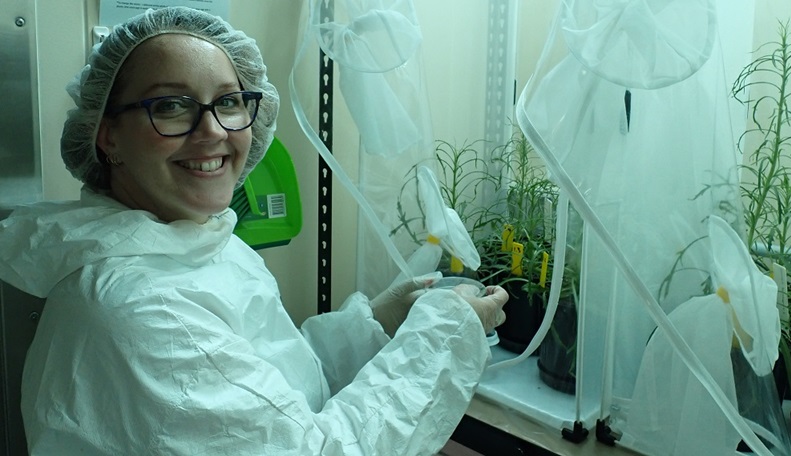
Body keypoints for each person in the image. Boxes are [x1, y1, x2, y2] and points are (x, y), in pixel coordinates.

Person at [0, 6, 508, 456]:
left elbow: (267, 388)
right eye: (170, 106)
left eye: (228, 102)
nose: (215, 132)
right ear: (107, 135)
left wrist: (374, 324)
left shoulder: (190, 240)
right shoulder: (135, 307)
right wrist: (445, 332)